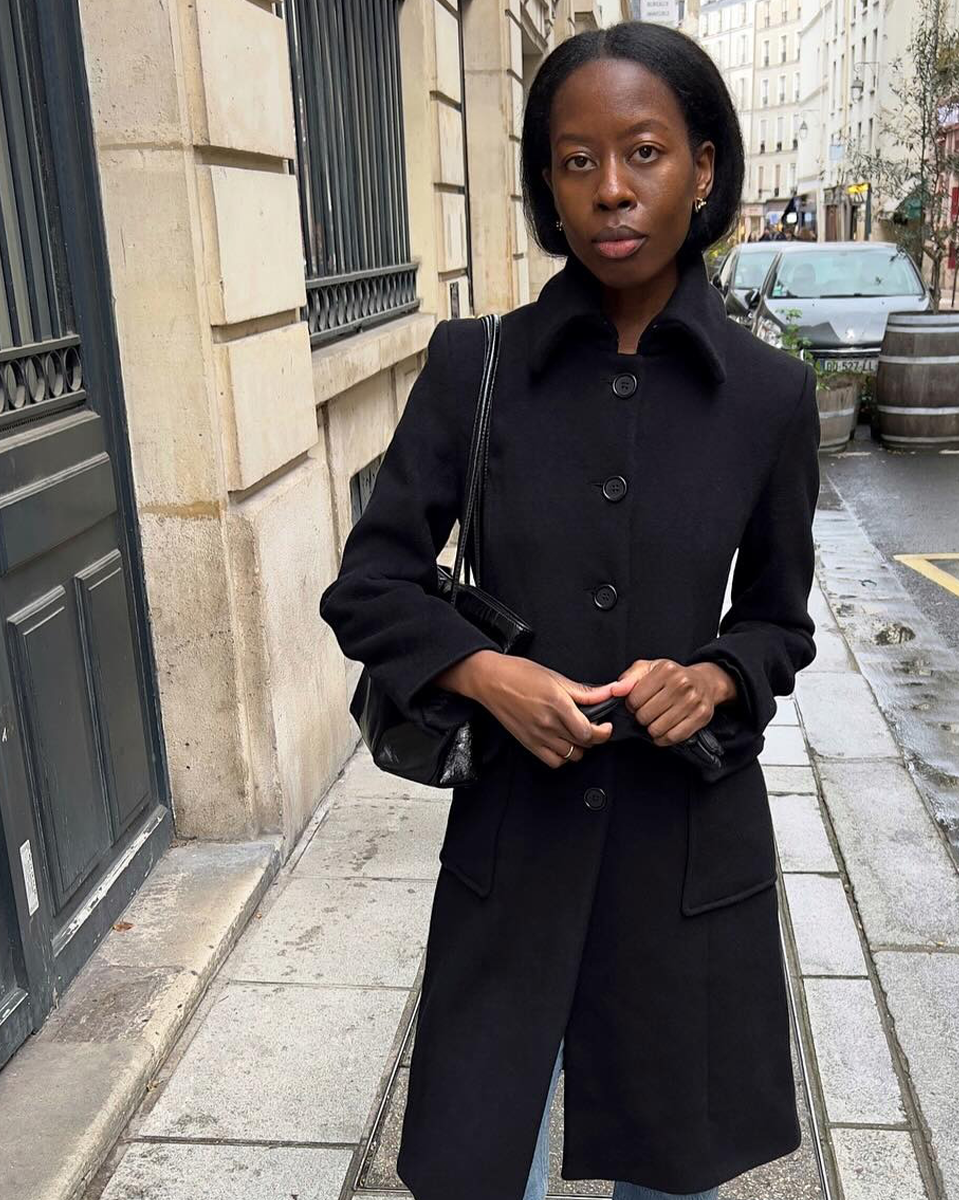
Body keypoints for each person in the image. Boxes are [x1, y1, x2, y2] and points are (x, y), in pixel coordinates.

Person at [319, 20, 819, 1200]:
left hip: (685, 843)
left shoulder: (768, 397)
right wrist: (484, 675)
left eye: (643, 152)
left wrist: (718, 678)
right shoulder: (473, 365)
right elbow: (371, 582)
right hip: (516, 835)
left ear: (704, 166)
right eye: (574, 159)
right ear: (546, 182)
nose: (610, 191)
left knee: (670, 1160)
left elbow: (780, 621)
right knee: (485, 1160)